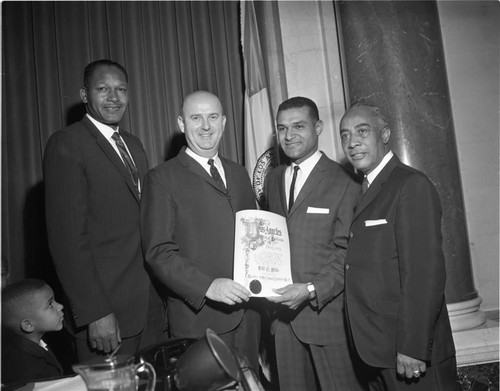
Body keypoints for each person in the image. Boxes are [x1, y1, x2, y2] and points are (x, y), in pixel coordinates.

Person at [140, 90, 261, 371]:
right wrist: (208, 286)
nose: (206, 126)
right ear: (182, 124)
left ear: (224, 122)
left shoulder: (240, 173)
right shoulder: (161, 178)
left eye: (213, 117)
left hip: (250, 317)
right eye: (196, 118)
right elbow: (158, 253)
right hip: (201, 320)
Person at [339, 104, 457, 390]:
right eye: (345, 135)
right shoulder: (365, 188)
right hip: (376, 351)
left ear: (386, 134)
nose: (352, 142)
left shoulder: (410, 184)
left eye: (362, 132)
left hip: (407, 353)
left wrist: (414, 346)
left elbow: (423, 273)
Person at [43, 59, 152, 362]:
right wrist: (95, 312)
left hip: (147, 310)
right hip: (106, 317)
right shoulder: (67, 143)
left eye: (121, 89)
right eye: (103, 89)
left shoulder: (133, 144)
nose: (114, 97)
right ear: (84, 95)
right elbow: (67, 241)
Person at [263, 96, 363, 390]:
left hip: (327, 318)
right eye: (282, 129)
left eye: (298, 126)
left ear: (318, 127)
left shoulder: (346, 181)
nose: (289, 136)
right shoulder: (274, 179)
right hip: (282, 323)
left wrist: (309, 291)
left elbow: (347, 253)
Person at [2, 279, 64, 384]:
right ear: (28, 325)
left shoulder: (37, 346)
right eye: (50, 304)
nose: (60, 306)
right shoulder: (26, 369)